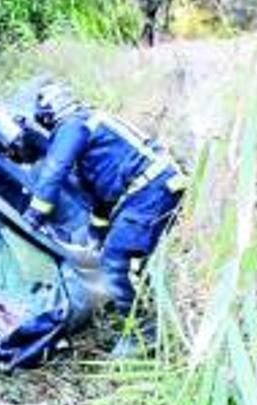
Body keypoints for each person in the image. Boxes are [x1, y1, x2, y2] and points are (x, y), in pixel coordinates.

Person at [22, 82, 186, 315]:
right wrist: (97, 236)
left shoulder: (74, 125)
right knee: (128, 259)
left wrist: (32, 217)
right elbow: (101, 196)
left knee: (118, 262)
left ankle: (144, 332)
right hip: (153, 188)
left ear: (48, 118)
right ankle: (145, 315)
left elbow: (54, 170)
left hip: (151, 190)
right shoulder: (89, 125)